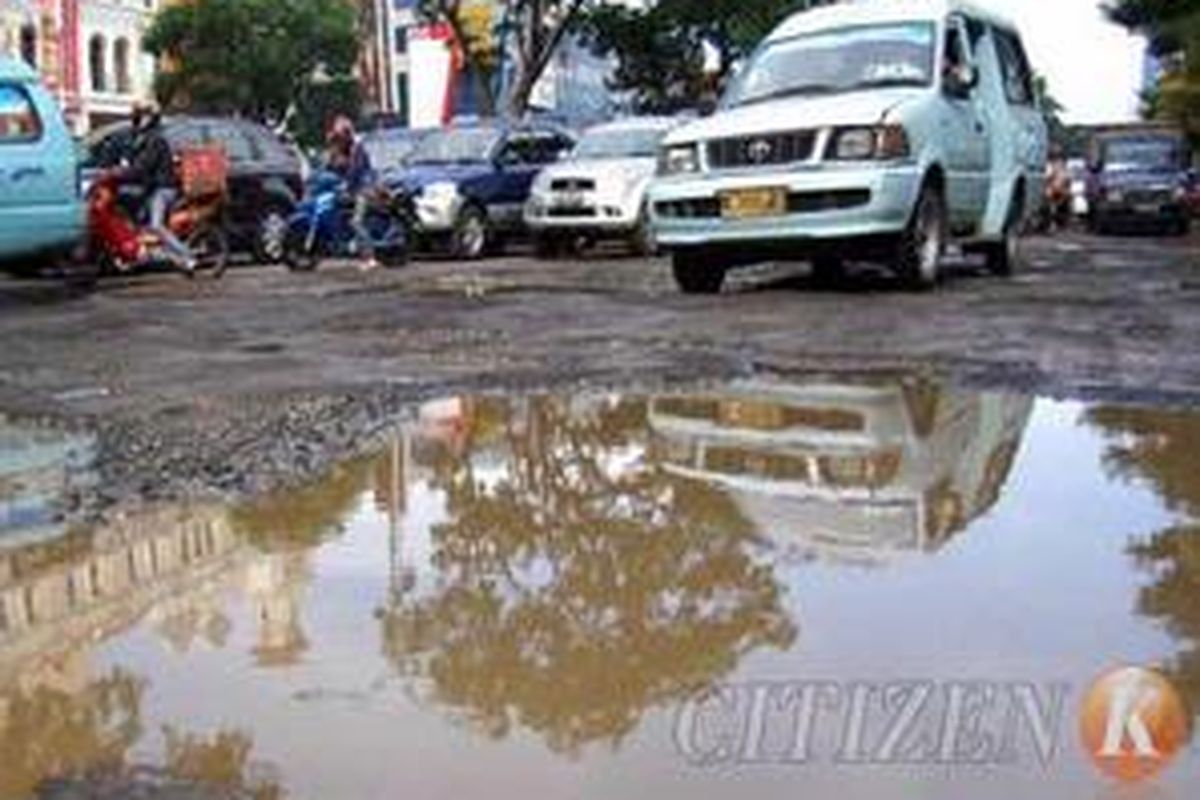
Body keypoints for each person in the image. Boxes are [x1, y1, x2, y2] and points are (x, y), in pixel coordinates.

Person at [122, 100, 195, 274]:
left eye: (142, 116)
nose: (139, 119)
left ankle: (187, 255)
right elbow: (128, 156)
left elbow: (145, 164)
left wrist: (129, 171)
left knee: (156, 225)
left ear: (151, 118)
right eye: (137, 116)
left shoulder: (155, 138)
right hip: (150, 187)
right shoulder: (139, 137)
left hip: (164, 188)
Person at [324, 115, 378, 271]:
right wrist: (332, 153)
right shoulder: (342, 150)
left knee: (357, 222)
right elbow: (332, 167)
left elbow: (355, 171)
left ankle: (369, 257)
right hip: (353, 188)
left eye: (340, 135)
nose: (339, 139)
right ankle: (347, 243)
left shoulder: (357, 149)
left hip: (364, 188)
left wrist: (347, 186)